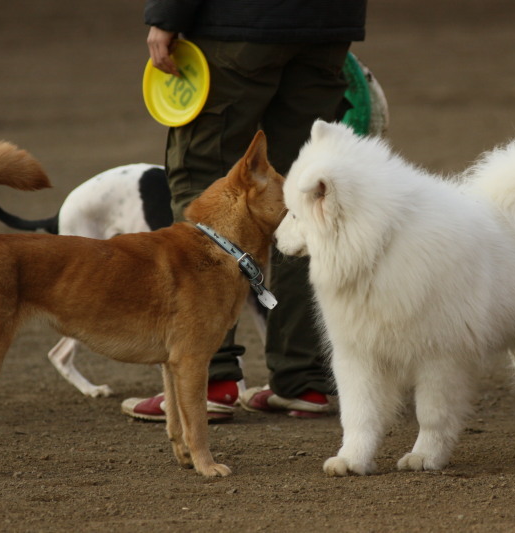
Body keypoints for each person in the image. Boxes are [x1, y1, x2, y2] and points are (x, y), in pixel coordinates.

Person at [121, 0, 367, 422]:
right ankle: (304, 380)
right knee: (304, 193)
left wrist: (168, 14)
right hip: (326, 26)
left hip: (237, 24)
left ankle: (209, 379)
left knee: (203, 176)